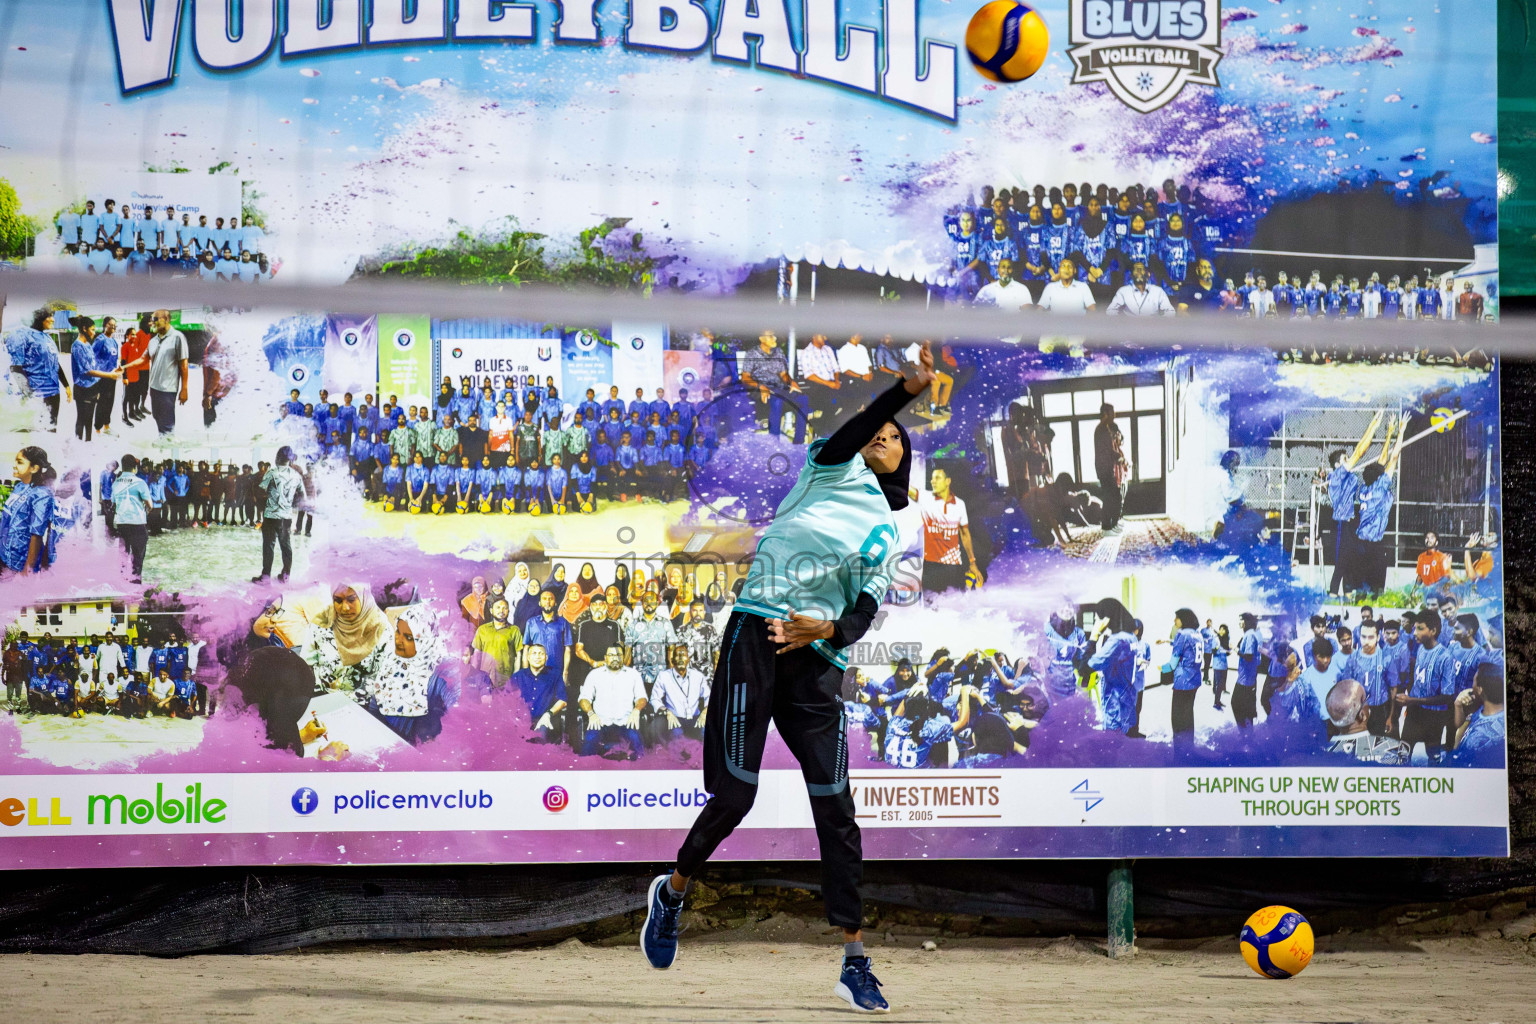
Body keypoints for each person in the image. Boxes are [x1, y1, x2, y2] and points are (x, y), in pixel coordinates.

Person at [640, 344, 935, 1015]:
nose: (881, 439)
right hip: (758, 633)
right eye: (876, 433)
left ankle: (854, 960)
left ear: (903, 459)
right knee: (736, 796)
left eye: (893, 439)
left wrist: (824, 631)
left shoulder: (886, 533)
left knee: (836, 808)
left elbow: (862, 610)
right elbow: (856, 429)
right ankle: (674, 892)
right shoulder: (826, 471)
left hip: (816, 663)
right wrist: (899, 394)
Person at [355, 604, 447, 743]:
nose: (398, 640)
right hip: (382, 741)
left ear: (424, 640)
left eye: (409, 638)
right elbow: (375, 708)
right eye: (398, 631)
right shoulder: (392, 662)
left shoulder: (439, 674)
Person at [1396, 607, 1457, 763]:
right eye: (1415, 628)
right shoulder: (1421, 649)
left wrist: (1412, 700)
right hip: (1414, 712)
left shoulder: (1445, 657)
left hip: (1434, 717)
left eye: (1420, 628)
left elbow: (1447, 697)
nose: (1415, 632)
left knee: (1433, 757)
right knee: (1403, 754)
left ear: (1433, 630)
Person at [7, 308, 72, 428]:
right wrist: (29, 395)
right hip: (38, 394)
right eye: (50, 316)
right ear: (40, 318)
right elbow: (16, 368)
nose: (53, 319)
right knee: (37, 432)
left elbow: (55, 363)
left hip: (54, 393)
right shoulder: (24, 335)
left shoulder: (48, 338)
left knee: (52, 428)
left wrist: (66, 385)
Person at [579, 646, 647, 759]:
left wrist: (636, 710)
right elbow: (584, 698)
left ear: (623, 657)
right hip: (600, 722)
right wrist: (591, 714)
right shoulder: (594, 674)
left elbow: (642, 697)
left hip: (626, 722)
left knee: (638, 749)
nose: (615, 658)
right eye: (611, 655)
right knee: (587, 751)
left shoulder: (633, 674)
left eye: (618, 655)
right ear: (605, 658)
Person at [251, 447, 306, 583]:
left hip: (271, 515)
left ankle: (265, 576)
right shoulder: (296, 476)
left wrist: (265, 504)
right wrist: (289, 504)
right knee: (286, 545)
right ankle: (286, 575)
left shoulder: (272, 473)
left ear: (277, 458)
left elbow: (260, 491)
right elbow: (302, 495)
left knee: (269, 545)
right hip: (286, 517)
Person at [1, 447, 57, 576]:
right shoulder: (20, 486)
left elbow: (36, 535)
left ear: (34, 468)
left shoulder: (42, 495)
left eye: (20, 462)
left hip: (18, 563)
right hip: (4, 555)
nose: (14, 466)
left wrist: (27, 570)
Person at [1325, 679, 1407, 763]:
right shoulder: (1395, 750)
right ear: (1362, 715)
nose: (1368, 703)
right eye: (1365, 699)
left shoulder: (1323, 752)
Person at [1088, 599, 1138, 735]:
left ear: (1107, 618)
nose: (1095, 619)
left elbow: (1091, 664)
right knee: (1123, 730)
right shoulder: (1131, 637)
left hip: (1114, 692)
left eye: (1098, 616)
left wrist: (1094, 635)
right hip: (1127, 689)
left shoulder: (1116, 639)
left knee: (1112, 734)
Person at [110, 455, 155, 582]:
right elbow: (150, 505)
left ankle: (123, 583)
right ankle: (135, 585)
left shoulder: (116, 484)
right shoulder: (140, 483)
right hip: (137, 524)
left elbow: (114, 502)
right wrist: (145, 510)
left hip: (122, 524)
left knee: (124, 555)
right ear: (134, 468)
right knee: (138, 558)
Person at [652, 643, 709, 742]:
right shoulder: (664, 676)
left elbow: (710, 697)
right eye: (678, 655)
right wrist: (667, 712)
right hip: (674, 719)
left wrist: (705, 712)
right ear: (672, 660)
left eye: (684, 655)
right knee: (678, 739)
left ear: (688, 659)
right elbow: (654, 699)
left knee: (706, 733)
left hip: (696, 719)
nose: (681, 658)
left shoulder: (698, 676)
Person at [1452, 662, 1505, 762]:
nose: (1472, 687)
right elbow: (1462, 722)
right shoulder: (1484, 710)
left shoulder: (1477, 739)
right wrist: (1458, 705)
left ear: (1480, 689)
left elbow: (1457, 759)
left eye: (1474, 682)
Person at [1169, 609, 1202, 750]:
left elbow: (1173, 662)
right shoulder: (1197, 634)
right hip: (1194, 679)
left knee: (1177, 719)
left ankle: (1179, 754)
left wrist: (1162, 669)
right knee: (1188, 715)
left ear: (1184, 619)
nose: (1174, 621)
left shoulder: (1182, 634)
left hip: (1182, 681)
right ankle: (1189, 748)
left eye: (1176, 618)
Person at [1093, 403, 1127, 535]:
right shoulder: (1102, 429)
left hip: (1106, 466)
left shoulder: (1104, 428)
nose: (1114, 415)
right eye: (1112, 413)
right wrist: (1119, 457)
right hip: (1104, 467)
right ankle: (1107, 527)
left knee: (1114, 496)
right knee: (1110, 497)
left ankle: (1112, 525)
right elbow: (1108, 451)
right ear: (1106, 414)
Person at [1106, 261, 1175, 316]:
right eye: (1136, 270)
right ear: (1131, 275)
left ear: (1148, 275)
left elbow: (1171, 311)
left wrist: (1159, 324)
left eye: (1141, 269)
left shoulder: (1158, 291)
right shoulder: (1123, 291)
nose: (1139, 272)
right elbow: (1110, 310)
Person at [1232, 613, 1262, 728]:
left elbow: (1248, 656)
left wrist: (1236, 650)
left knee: (1235, 703)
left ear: (1246, 622)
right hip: (1249, 676)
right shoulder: (1251, 634)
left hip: (1245, 679)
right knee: (1247, 706)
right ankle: (1247, 732)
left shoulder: (1249, 636)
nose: (1240, 623)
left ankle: (1244, 731)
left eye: (1242, 620)